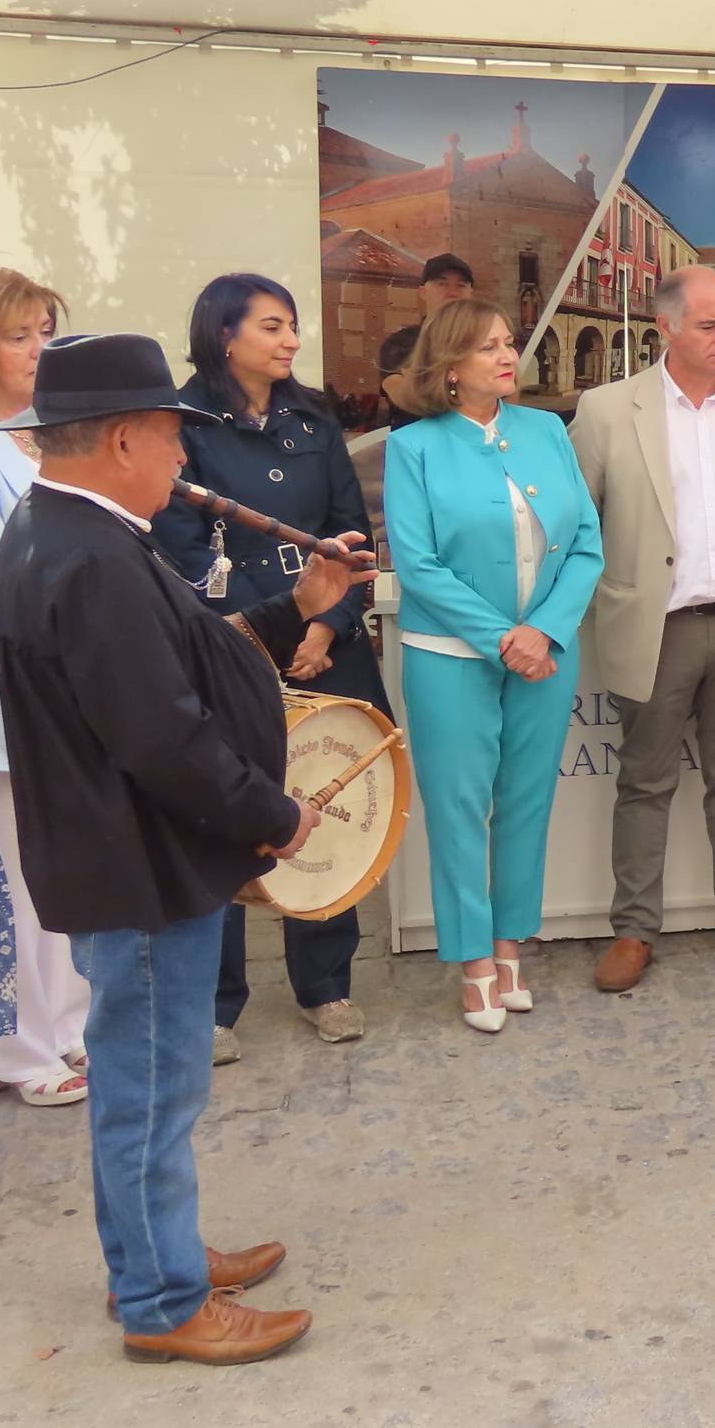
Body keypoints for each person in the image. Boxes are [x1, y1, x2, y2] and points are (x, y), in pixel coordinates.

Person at [0, 332, 359, 1365]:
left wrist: (295, 605)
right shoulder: (91, 554)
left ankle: (155, 1260)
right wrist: (274, 817)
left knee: (136, 1079)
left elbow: (173, 663)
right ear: (118, 440)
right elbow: (163, 734)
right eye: (168, 437)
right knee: (153, 1086)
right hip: (141, 865)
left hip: (122, 856)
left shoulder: (64, 530)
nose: (181, 462)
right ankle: (162, 1301)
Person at [152, 273, 386, 1061]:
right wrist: (270, 629)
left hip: (330, 646)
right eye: (273, 327)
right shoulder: (182, 426)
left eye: (294, 327)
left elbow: (352, 536)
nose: (291, 341)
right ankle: (216, 1004)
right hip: (231, 646)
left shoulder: (314, 417)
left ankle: (327, 987)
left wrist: (326, 624)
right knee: (226, 814)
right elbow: (183, 557)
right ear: (224, 335)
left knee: (326, 801)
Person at [572, 266, 715, 991]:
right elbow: (583, 519)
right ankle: (634, 931)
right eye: (709, 325)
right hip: (656, 625)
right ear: (665, 326)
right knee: (644, 783)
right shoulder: (609, 409)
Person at [386, 301, 605, 1029]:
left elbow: (586, 547)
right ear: (449, 368)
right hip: (449, 656)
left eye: (509, 343)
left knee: (526, 802)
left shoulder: (547, 431)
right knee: (456, 809)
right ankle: (473, 960)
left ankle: (511, 945)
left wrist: (542, 631)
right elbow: (416, 565)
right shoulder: (413, 447)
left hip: (544, 654)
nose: (508, 356)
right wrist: (502, 638)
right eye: (488, 348)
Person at [0, 268, 88, 1108]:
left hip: (67, 683)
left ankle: (73, 1028)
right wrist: (92, 589)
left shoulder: (51, 434)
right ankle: (19, 1051)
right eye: (19, 334)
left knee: (64, 867)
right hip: (0, 683)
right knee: (12, 882)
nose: (39, 349)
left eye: (48, 330)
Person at [377, 253, 477, 428]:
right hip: (418, 448)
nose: (452, 293)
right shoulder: (401, 343)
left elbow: (506, 396)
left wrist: (424, 381)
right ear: (423, 292)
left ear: (471, 294)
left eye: (461, 285)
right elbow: (402, 395)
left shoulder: (485, 342)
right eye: (442, 284)